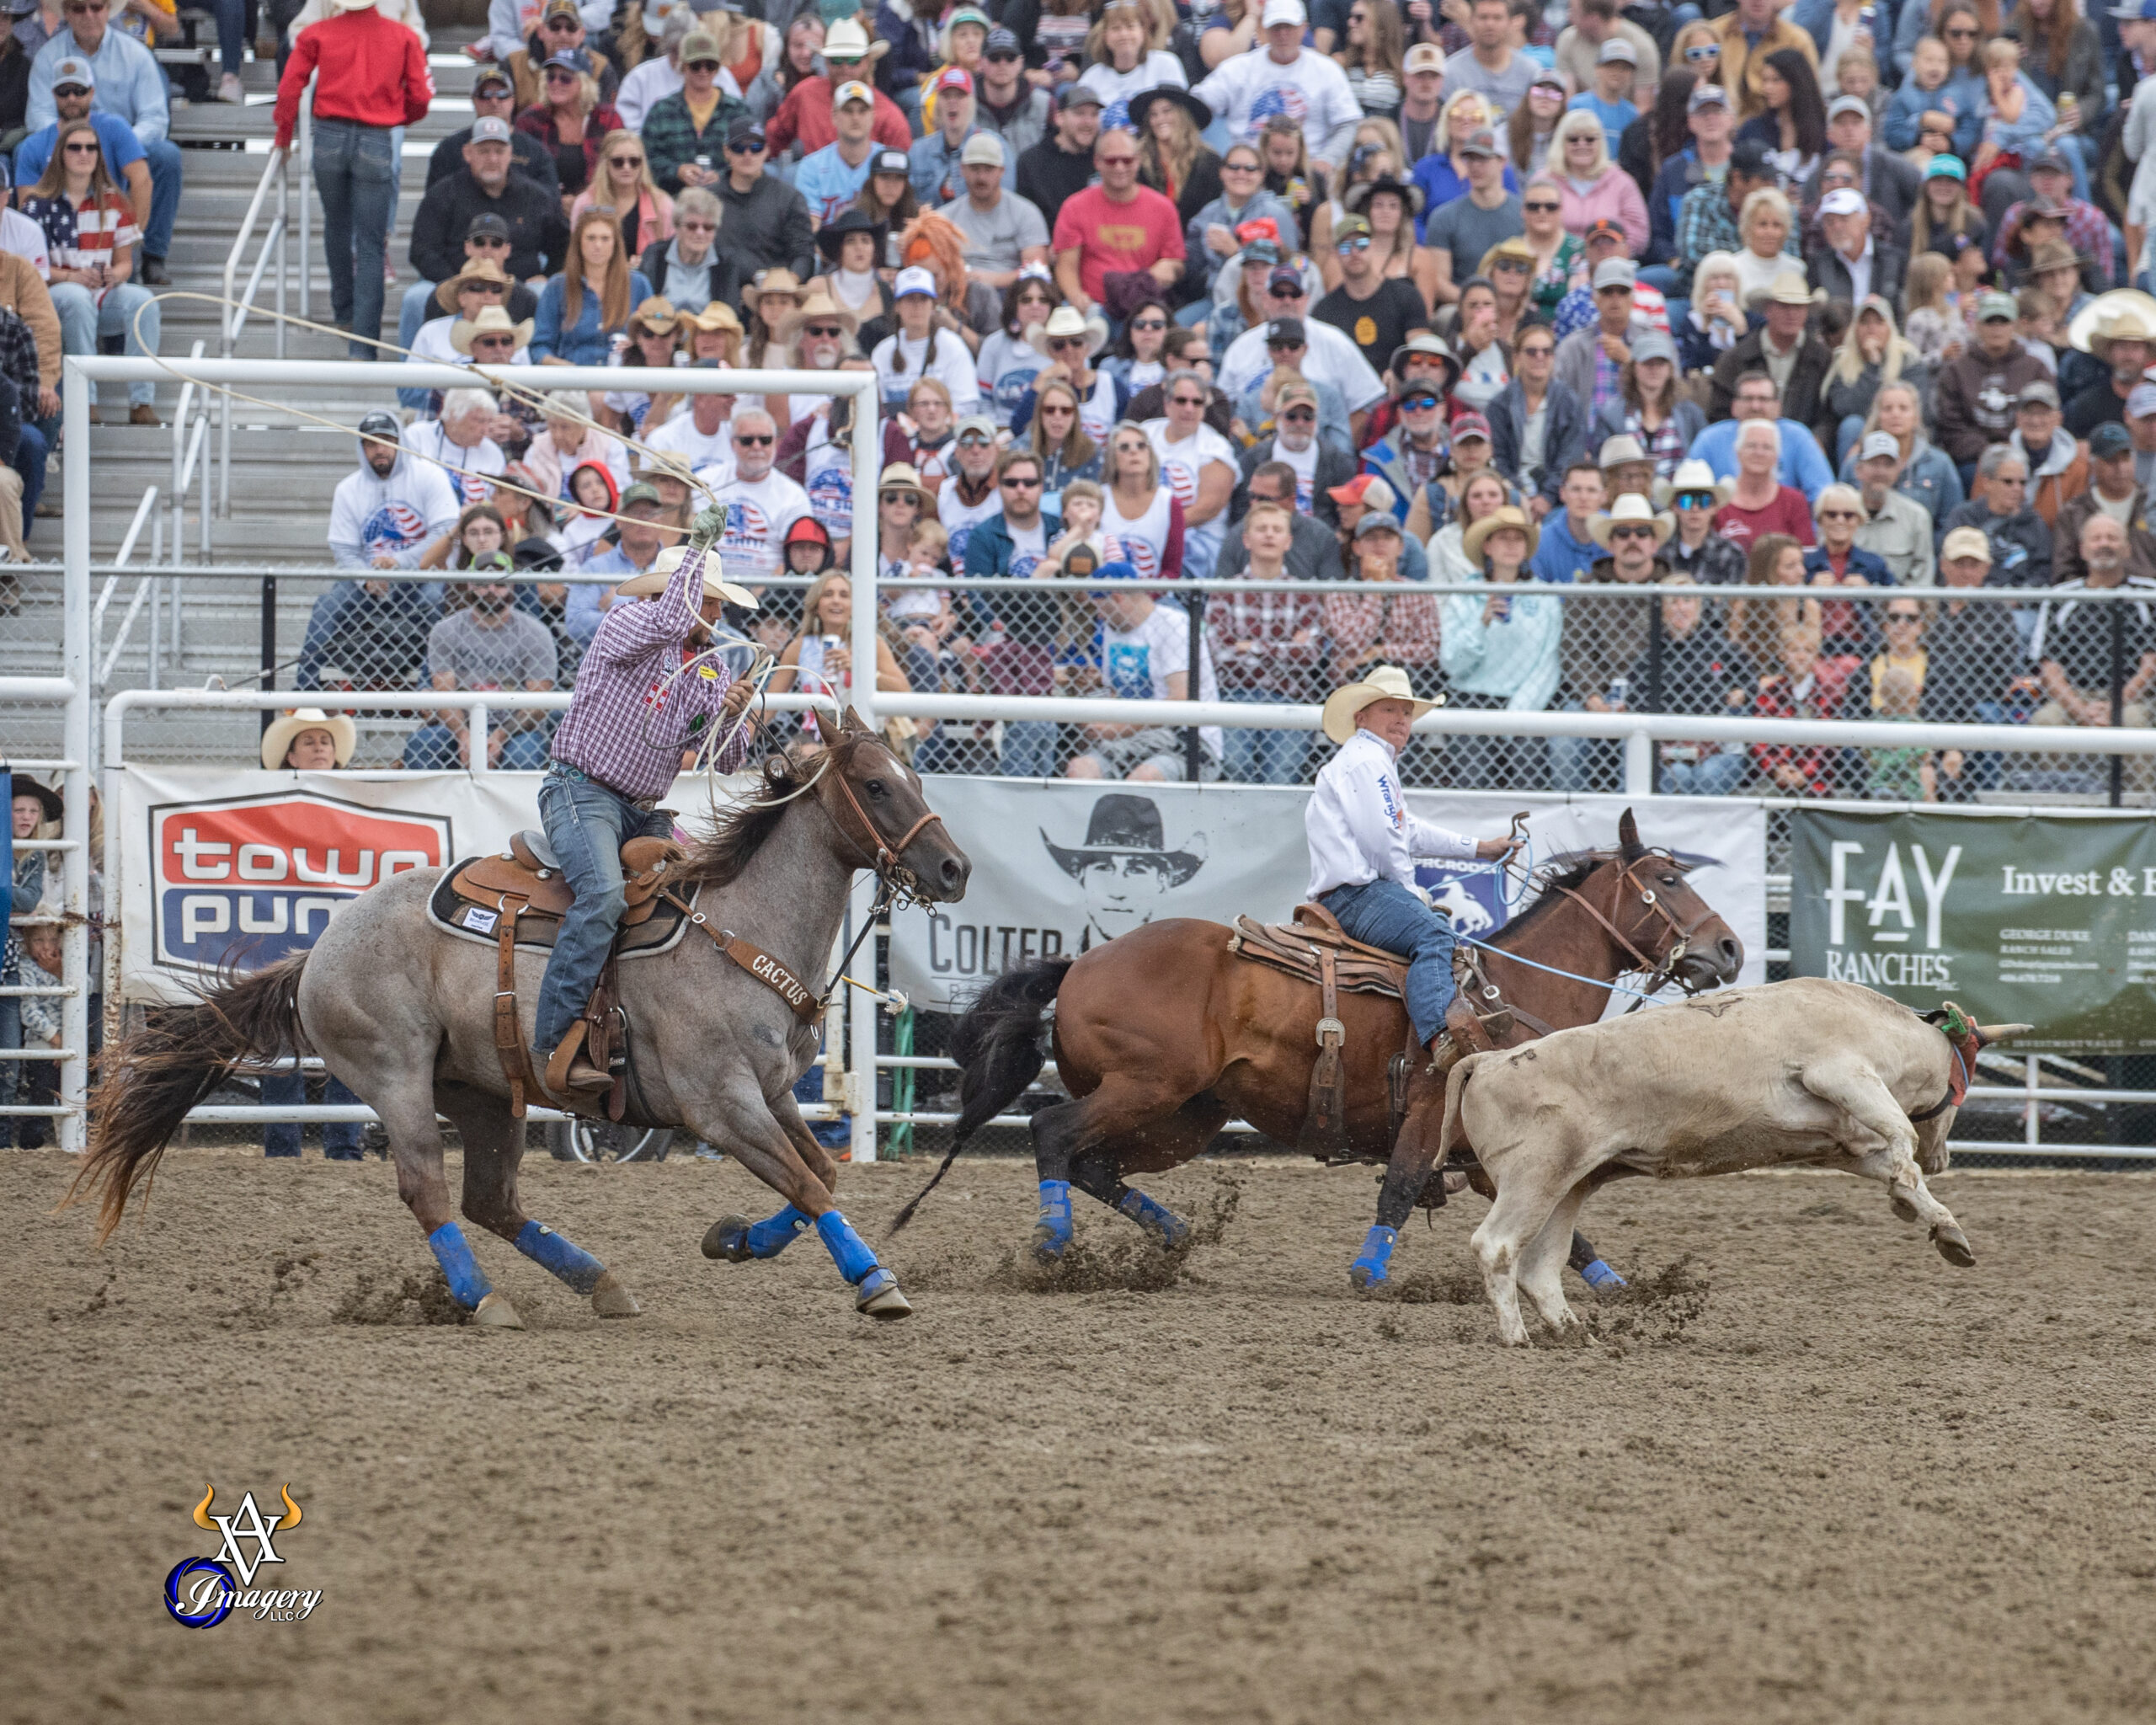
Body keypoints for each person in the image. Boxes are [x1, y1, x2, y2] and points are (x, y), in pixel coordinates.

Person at [1305, 662, 1519, 1282]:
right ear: (1363, 716)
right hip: (1359, 892)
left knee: (1430, 930)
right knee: (1435, 935)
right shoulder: (1367, 763)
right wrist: (1411, 897)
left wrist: (1476, 849)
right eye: (1391, 709)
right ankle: (1441, 1040)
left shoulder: (1369, 763)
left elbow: (1403, 829)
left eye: (1407, 711)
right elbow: (1387, 843)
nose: (1402, 719)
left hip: (1354, 888)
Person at [532, 534, 758, 1098]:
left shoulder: (710, 668)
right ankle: (553, 1044)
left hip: (641, 812)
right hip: (581, 793)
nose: (716, 612)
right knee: (604, 896)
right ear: (677, 596)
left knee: (698, 907)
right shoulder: (627, 624)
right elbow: (666, 623)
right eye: (707, 601)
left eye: (715, 602)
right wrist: (698, 548)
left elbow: (727, 759)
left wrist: (736, 718)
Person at [254, 710, 365, 1158]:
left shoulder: (357, 802)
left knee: (350, 1041)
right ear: (290, 755)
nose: (320, 747)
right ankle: (285, 1149)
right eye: (309, 741)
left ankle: (343, 1146)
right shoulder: (269, 804)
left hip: (332, 939)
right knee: (282, 1043)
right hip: (282, 939)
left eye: (325, 740)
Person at [24, 0, 178, 284]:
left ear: (109, 9)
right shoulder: (49, 55)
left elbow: (155, 119)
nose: (88, 15)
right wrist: (76, 144)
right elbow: (38, 117)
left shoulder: (136, 53)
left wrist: (118, 146)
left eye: (96, 7)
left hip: (124, 143)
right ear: (67, 13)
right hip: (66, 145)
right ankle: (42, 255)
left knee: (166, 156)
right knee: (26, 152)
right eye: (78, 8)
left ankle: (151, 254)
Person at [18, 113, 156, 422]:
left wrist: (113, 275)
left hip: (100, 292)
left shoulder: (115, 202)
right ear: (60, 155)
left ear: (99, 155)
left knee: (144, 301)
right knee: (77, 299)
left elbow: (124, 264)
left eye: (91, 148)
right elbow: (28, 271)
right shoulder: (37, 204)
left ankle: (141, 402)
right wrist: (71, 276)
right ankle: (86, 401)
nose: (84, 154)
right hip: (53, 295)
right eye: (75, 147)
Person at [404, 126, 568, 355]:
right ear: (468, 153)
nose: (492, 158)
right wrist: (459, 284)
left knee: (544, 292)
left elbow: (564, 245)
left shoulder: (536, 197)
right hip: (457, 282)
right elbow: (422, 251)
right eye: (484, 151)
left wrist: (548, 275)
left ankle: (534, 378)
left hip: (518, 284)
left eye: (499, 151)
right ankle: (410, 377)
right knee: (416, 297)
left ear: (510, 154)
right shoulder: (443, 193)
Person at [2029, 514, 2156, 793]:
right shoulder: (2061, 597)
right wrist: (2081, 710)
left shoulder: (2148, 596)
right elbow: (2050, 670)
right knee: (2046, 721)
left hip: (2133, 700)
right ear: (2083, 549)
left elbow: (2150, 666)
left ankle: (2142, 808)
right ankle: (2060, 805)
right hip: (2076, 697)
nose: (2104, 544)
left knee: (2132, 722)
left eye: (2112, 538)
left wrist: (2114, 707)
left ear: (2127, 548)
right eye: (2096, 538)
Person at [1438, 504, 1561, 788]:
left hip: (1524, 704)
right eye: (1502, 537)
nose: (1511, 544)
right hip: (1471, 700)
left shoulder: (1546, 598)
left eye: (1518, 538)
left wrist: (1515, 715)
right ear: (1487, 546)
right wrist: (1480, 625)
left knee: (1527, 782)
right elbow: (1451, 662)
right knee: (1473, 781)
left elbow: (1548, 663)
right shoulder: (1464, 596)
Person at [1207, 496, 1326, 784]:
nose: (1269, 534)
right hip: (1235, 696)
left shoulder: (1305, 594)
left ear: (1288, 541)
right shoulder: (1224, 591)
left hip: (1290, 697)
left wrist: (1252, 647)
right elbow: (1219, 654)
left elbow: (1311, 654)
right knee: (1236, 767)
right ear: (1246, 540)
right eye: (1261, 529)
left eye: (1276, 529)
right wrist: (1285, 650)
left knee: (1283, 776)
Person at [1065, 561, 1220, 782]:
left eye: (1099, 606)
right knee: (1080, 767)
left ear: (1118, 599)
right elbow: (1114, 693)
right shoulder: (1113, 629)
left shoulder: (1175, 624)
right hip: (1133, 738)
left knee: (1145, 776)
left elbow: (1180, 698)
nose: (1098, 616)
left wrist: (1119, 729)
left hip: (1185, 739)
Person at [402, 562, 558, 770]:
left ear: (512, 586)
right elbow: (444, 695)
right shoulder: (446, 630)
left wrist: (500, 736)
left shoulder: (536, 633)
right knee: (422, 744)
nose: (491, 590)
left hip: (516, 729)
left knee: (523, 755)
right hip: (458, 724)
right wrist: (464, 735)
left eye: (499, 584)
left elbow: (538, 703)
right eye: (483, 583)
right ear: (470, 585)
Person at [1193, 0, 1364, 178]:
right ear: (1265, 30)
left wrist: (1327, 159)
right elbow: (1196, 104)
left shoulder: (1326, 69)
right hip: (1248, 172)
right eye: (1276, 27)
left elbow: (1348, 121)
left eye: (1289, 27)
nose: (1283, 34)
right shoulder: (1239, 68)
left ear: (1303, 28)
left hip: (1306, 172)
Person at [1049, 126, 1185, 320]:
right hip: (1094, 307)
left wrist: (1170, 268)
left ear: (1137, 162)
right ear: (1097, 162)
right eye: (1111, 160)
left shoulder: (1163, 208)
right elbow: (1066, 265)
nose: (1119, 167)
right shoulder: (1075, 206)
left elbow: (1177, 263)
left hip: (1143, 308)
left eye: (1127, 160)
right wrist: (1075, 296)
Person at [702, 407, 812, 590]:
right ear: (732, 444)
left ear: (776, 443)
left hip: (770, 597)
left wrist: (756, 598)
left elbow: (795, 557)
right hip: (708, 589)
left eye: (765, 440)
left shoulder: (794, 495)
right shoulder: (707, 482)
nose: (756, 447)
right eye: (747, 440)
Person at [1144, 368, 1238, 580]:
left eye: (1197, 402)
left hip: (1198, 540)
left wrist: (1154, 527)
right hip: (1146, 530)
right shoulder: (1145, 434)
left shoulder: (1215, 446)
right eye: (1181, 400)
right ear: (1167, 404)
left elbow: (1208, 508)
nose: (1189, 408)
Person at [1486, 321, 1586, 519]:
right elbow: (1498, 458)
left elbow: (1571, 457)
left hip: (1558, 497)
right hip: (1510, 495)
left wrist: (1547, 497)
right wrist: (1520, 495)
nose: (1540, 357)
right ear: (1517, 357)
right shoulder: (1499, 405)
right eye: (1532, 352)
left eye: (1547, 351)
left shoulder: (1569, 402)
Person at [1418, 127, 1523, 306]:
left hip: (1514, 304)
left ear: (1502, 162)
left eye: (1483, 159)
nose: (1475, 166)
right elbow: (1439, 282)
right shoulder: (1444, 217)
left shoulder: (1524, 214)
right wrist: (1478, 304)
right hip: (1462, 307)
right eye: (1470, 159)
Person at [1554, 258, 1654, 432]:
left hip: (1640, 439)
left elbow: (1673, 395)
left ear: (1633, 297)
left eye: (1622, 291)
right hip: (1587, 444)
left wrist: (1630, 362)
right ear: (1594, 298)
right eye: (1607, 291)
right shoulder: (1572, 347)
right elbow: (1558, 401)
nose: (1615, 298)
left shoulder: (1653, 342)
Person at [938, 133, 1049, 291]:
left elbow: (1036, 271)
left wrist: (994, 280)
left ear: (1002, 171)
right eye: (974, 169)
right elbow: (932, 269)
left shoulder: (1026, 213)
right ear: (962, 170)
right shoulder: (944, 218)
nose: (981, 177)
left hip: (1011, 297)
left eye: (989, 169)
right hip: (959, 292)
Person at [2052, 422, 2156, 586]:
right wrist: (2091, 594)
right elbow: (2064, 570)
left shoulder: (2152, 504)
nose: (2121, 467)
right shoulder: (2074, 512)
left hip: (2150, 599)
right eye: (2111, 460)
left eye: (2126, 458)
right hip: (2089, 602)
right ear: (2093, 464)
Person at [713, 117, 814, 283]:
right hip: (721, 293)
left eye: (756, 147)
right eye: (739, 148)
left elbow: (803, 254)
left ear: (767, 151)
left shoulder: (789, 198)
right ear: (726, 152)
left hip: (775, 296)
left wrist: (786, 284)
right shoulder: (709, 200)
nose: (748, 155)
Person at [1939, 442, 2052, 586]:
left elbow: (2043, 570)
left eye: (2022, 482)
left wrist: (2021, 596)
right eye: (2008, 482)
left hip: (2023, 605)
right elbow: (1948, 566)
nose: (2017, 488)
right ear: (1987, 482)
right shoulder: (1963, 517)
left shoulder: (2034, 522)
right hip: (1973, 601)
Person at [1545, 106, 1648, 254]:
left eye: (1590, 139)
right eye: (1573, 139)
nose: (1582, 144)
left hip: (1608, 262)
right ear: (1561, 143)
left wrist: (1612, 254)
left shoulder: (1622, 182)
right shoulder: (1545, 181)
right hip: (1555, 261)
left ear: (1600, 142)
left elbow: (1638, 232)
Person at [1850, 429, 1940, 588]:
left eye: (1888, 464)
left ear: (1898, 470)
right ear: (1859, 469)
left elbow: (1923, 575)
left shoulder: (1916, 517)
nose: (1881, 471)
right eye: (1874, 463)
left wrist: (1903, 600)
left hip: (1897, 608)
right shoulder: (1839, 513)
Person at [1714, 418, 1817, 554]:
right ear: (1738, 452)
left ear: (1777, 456)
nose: (1759, 453)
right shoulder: (1720, 500)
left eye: (1767, 447)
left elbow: (1806, 555)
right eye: (1751, 446)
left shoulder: (1794, 501)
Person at [1806, 186, 1909, 319]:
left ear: (1865, 220)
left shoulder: (1895, 261)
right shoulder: (1819, 265)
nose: (1837, 227)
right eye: (1829, 221)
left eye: (1844, 219)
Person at [1016, 78, 1102, 221]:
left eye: (1094, 114)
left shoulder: (1106, 160)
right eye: (1080, 113)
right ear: (1059, 118)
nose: (1088, 122)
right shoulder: (1031, 162)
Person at [910, 67, 990, 209]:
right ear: (937, 103)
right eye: (946, 96)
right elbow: (908, 206)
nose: (952, 102)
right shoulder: (918, 151)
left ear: (972, 101)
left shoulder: (992, 146)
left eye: (960, 96)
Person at [1657, 459, 1748, 584]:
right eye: (1686, 501)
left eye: (1704, 501)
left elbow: (1735, 602)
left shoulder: (1732, 554)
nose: (1695, 508)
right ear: (1674, 506)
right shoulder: (1660, 554)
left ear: (1714, 507)